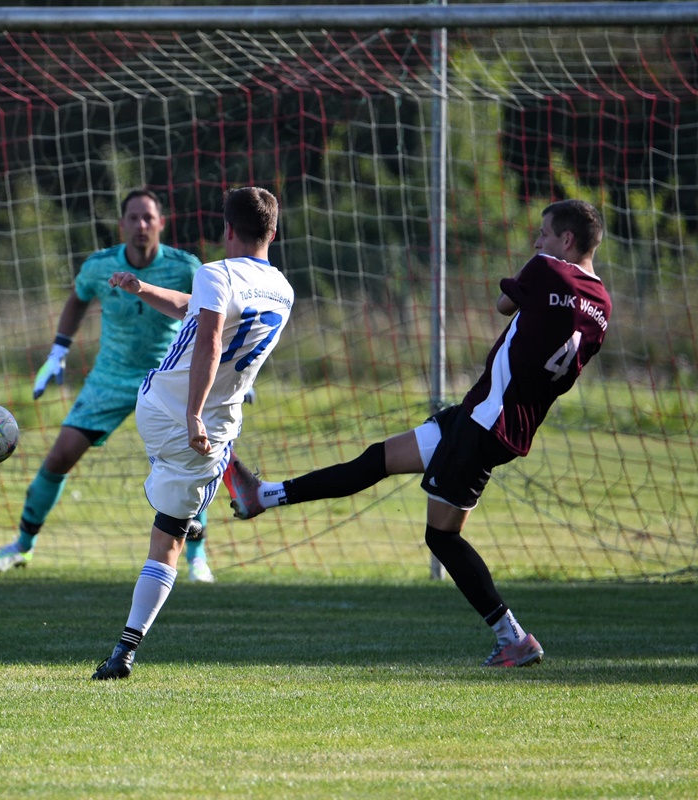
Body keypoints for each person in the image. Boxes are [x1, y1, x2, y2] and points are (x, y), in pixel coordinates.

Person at [225, 198, 612, 668]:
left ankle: (513, 637)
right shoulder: (604, 305)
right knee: (377, 459)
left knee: (441, 537)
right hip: (497, 419)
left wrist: (540, 274)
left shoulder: (549, 268)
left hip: (485, 422)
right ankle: (260, 497)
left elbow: (503, 303)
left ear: (566, 241)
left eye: (545, 233)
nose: (538, 241)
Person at [91, 187, 293, 680]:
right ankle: (124, 652)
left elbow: (206, 336)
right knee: (172, 532)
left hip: (171, 414)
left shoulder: (215, 272)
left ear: (227, 230)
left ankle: (212, 492)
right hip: (209, 425)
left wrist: (192, 415)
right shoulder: (283, 289)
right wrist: (145, 289)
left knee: (169, 535)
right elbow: (198, 312)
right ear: (272, 231)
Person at [0, 189, 223, 583]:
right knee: (59, 456)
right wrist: (57, 352)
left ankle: (197, 557)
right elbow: (78, 299)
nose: (141, 225)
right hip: (109, 378)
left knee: (190, 462)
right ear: (122, 224)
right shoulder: (99, 267)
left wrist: (226, 370)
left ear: (162, 223)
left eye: (149, 218)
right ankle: (21, 546)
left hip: (164, 377)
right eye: (133, 217)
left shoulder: (186, 266)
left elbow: (210, 316)